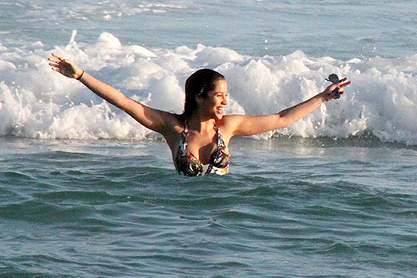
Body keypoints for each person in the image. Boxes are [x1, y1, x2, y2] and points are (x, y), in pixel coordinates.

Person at [48, 54, 351, 177]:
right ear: (199, 96)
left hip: (224, 216)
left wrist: (324, 97)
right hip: (181, 217)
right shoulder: (173, 128)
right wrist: (81, 75)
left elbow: (282, 118)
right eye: (219, 95)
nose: (225, 101)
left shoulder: (230, 127)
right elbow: (125, 102)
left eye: (226, 96)